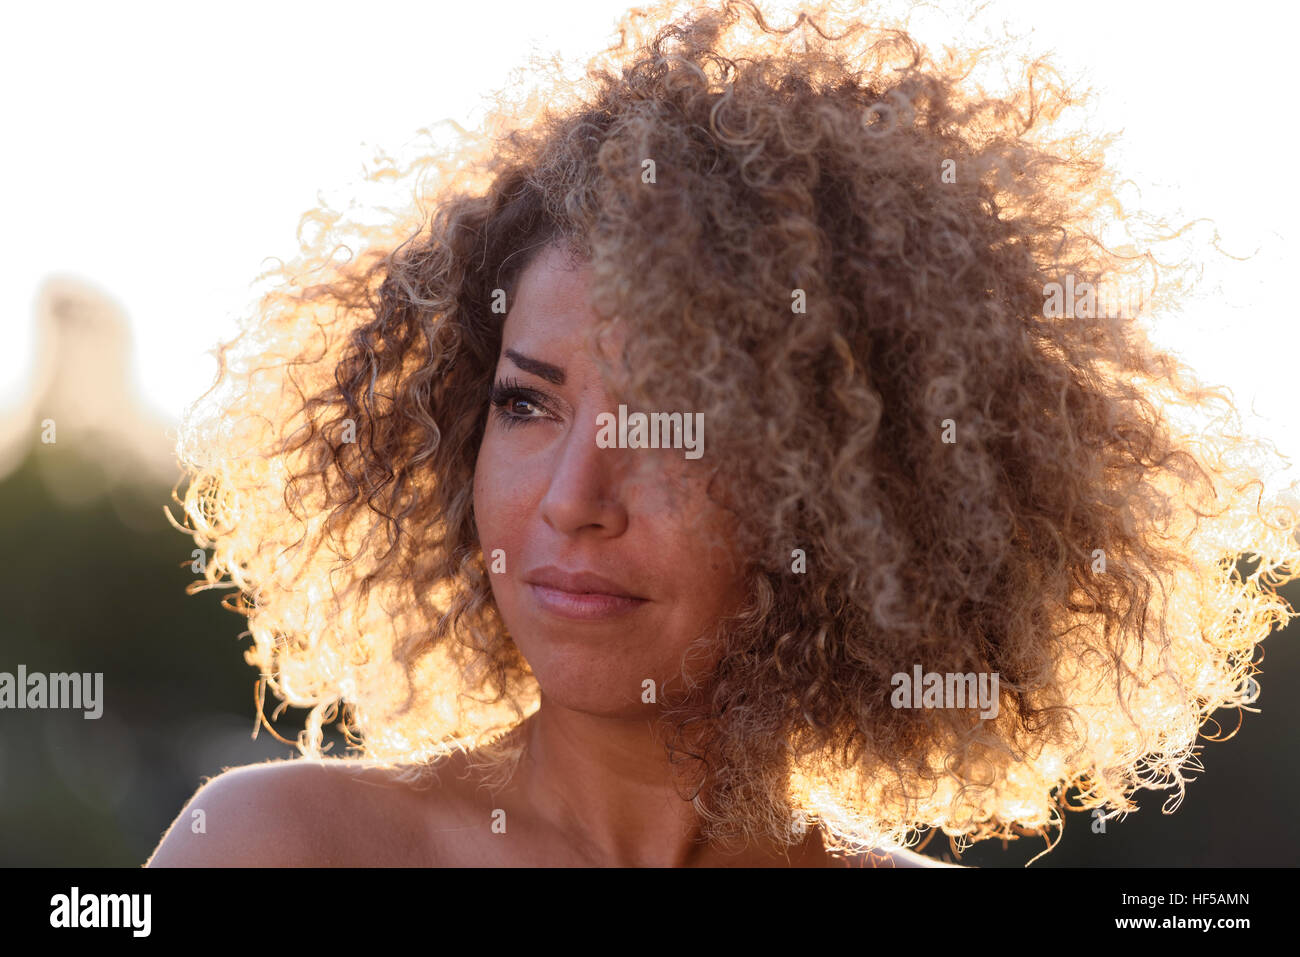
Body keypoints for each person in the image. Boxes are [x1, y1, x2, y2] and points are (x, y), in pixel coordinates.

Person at [147, 0, 1300, 867]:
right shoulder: (278, 848)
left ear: (852, 491)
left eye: (668, 423)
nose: (570, 499)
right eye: (525, 403)